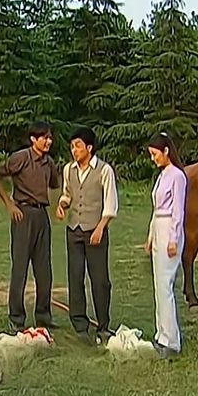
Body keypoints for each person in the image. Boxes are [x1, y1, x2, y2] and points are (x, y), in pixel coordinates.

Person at [0, 121, 60, 331]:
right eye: (44, 138)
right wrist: (9, 204)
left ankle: (43, 315)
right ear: (33, 139)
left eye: (50, 137)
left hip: (41, 215)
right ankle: (16, 317)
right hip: (23, 214)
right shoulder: (21, 158)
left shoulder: (49, 163)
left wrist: (58, 206)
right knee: (20, 268)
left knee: (44, 269)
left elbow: (55, 185)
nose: (48, 141)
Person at [56, 126, 118, 345]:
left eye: (78, 146)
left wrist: (101, 227)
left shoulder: (104, 170)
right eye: (72, 146)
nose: (74, 150)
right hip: (74, 229)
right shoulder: (68, 170)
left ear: (89, 148)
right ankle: (79, 323)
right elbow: (67, 194)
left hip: (95, 230)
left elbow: (110, 203)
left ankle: (103, 325)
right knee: (75, 277)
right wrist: (62, 205)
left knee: (100, 280)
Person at [144, 131, 187, 359]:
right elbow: (156, 209)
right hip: (159, 227)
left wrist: (173, 238)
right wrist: (151, 236)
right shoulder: (162, 176)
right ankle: (161, 334)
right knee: (158, 285)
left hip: (170, 227)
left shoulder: (177, 176)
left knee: (165, 285)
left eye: (155, 154)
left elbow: (178, 210)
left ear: (166, 151)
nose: (153, 159)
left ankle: (171, 340)